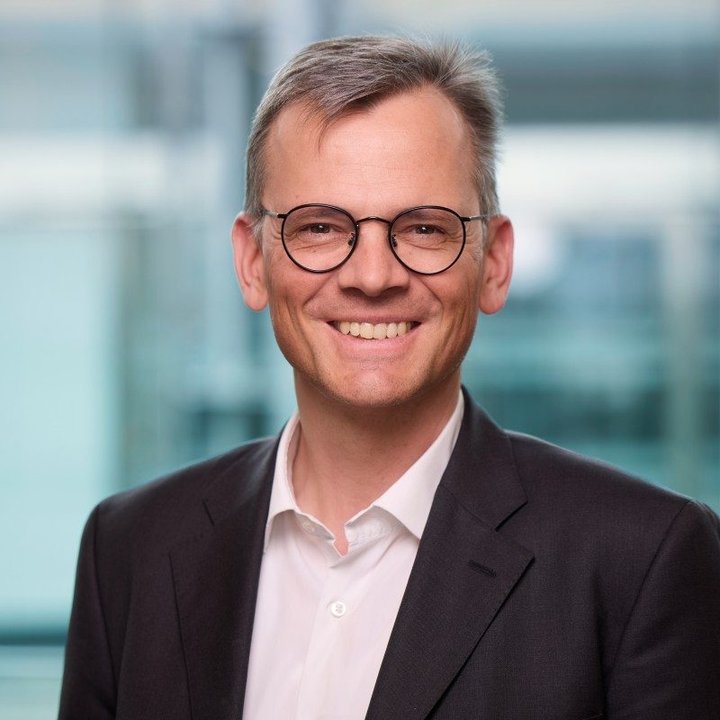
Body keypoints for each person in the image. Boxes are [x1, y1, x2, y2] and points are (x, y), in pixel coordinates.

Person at [59, 36, 720, 720]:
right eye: (319, 227)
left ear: (494, 263)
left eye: (424, 229)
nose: (373, 276)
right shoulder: (129, 549)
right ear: (252, 263)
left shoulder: (643, 559)